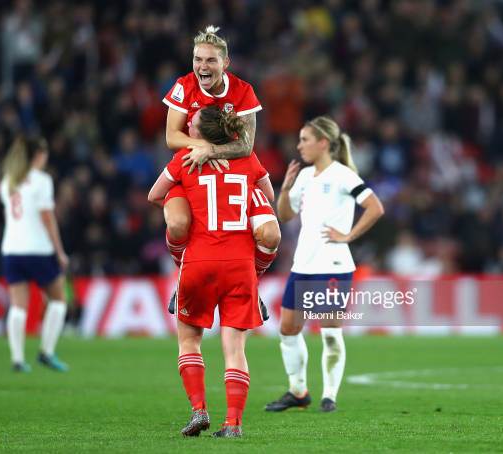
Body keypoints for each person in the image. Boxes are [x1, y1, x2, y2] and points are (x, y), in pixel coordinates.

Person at [148, 106, 279, 438]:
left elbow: (154, 195)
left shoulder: (184, 160)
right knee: (235, 349)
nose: (186, 128)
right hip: (240, 265)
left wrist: (181, 196)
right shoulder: (248, 160)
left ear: (202, 132)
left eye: (190, 124)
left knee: (190, 341)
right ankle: (233, 423)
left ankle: (198, 411)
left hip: (199, 262)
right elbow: (268, 197)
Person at [265, 116, 384, 412]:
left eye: (305, 139)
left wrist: (349, 235)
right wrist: (285, 189)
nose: (299, 145)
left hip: (333, 266)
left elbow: (375, 207)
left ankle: (329, 395)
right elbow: (286, 215)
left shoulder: (343, 175)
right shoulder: (304, 176)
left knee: (330, 332)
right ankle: (298, 391)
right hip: (302, 264)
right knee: (288, 330)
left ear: (323, 143)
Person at [161, 25, 265, 305]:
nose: (202, 66)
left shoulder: (243, 91)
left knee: (270, 232)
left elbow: (246, 145)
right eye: (197, 59)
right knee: (179, 223)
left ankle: (253, 282)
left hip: (235, 173)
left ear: (225, 63)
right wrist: (204, 150)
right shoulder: (184, 86)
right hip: (191, 170)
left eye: (210, 60)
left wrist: (213, 150)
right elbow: (172, 136)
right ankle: (183, 274)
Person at [0, 135, 69, 373]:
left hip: (11, 250)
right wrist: (59, 251)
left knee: (18, 306)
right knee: (58, 300)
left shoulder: (8, 180)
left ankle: (17, 360)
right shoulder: (42, 180)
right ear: (38, 155)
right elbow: (47, 218)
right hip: (38, 250)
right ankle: (46, 353)